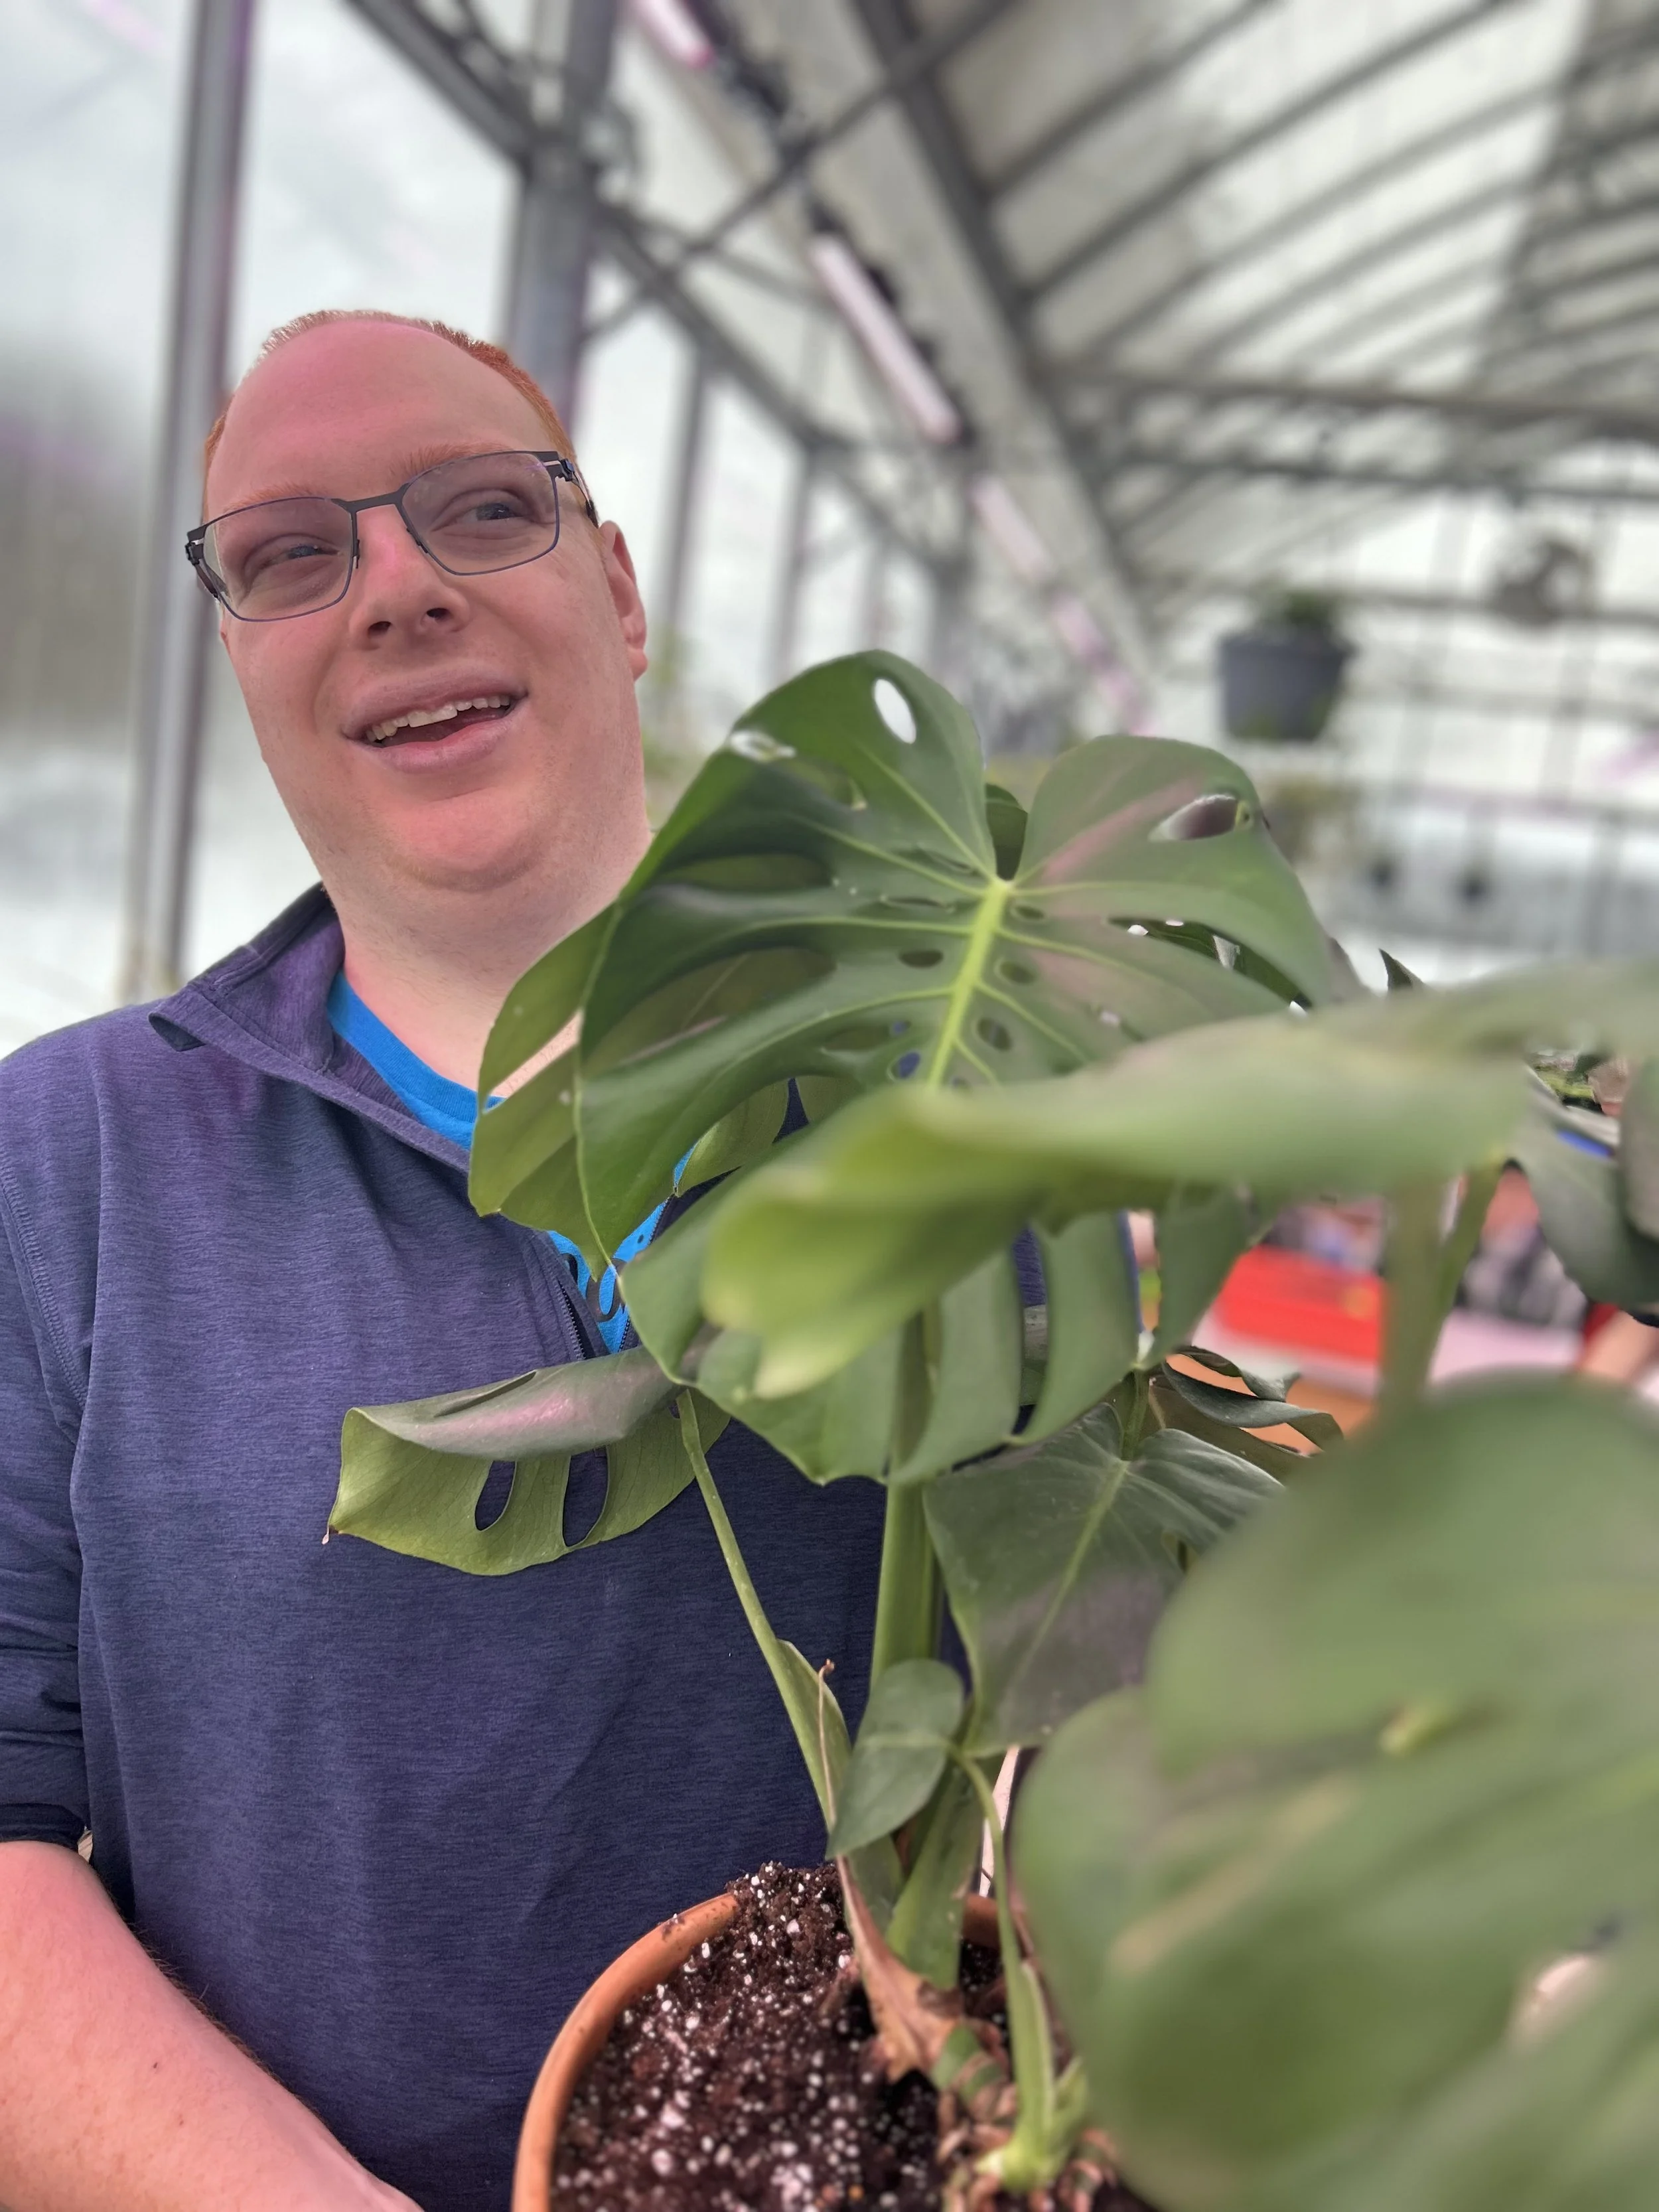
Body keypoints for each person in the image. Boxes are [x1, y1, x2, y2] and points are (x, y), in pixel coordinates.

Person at [0, 311, 886, 2212]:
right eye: (291, 556)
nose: (394, 588)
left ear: (619, 588)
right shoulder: (66, 1161)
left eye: (481, 509)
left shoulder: (956, 1106)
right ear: (242, 655)